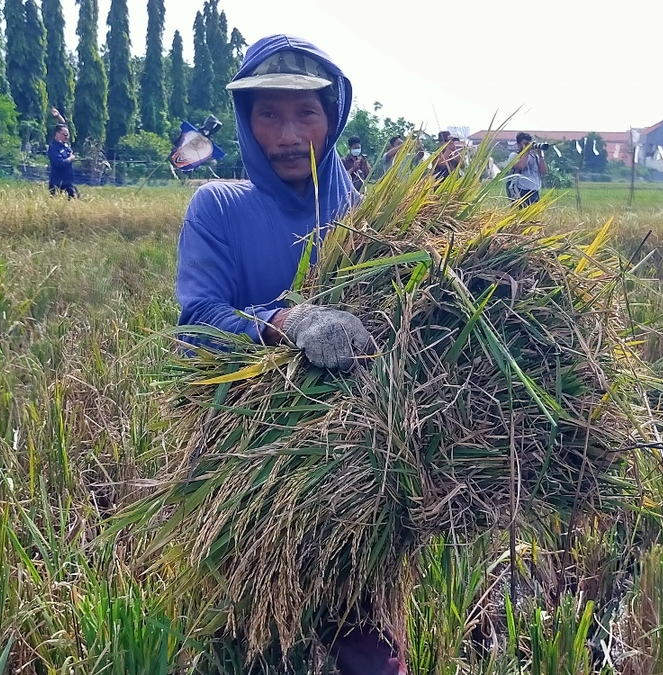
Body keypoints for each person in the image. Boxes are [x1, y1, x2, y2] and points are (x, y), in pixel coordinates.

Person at [175, 36, 402, 674]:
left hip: (355, 467)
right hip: (247, 459)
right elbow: (197, 321)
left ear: (333, 118)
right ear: (247, 124)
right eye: (267, 114)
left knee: (366, 638)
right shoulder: (217, 207)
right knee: (252, 636)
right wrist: (284, 320)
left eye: (305, 113)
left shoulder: (366, 217)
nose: (286, 133)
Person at [506, 131, 547, 206]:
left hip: (534, 190)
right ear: (518, 145)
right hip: (519, 191)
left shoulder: (534, 157)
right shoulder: (514, 155)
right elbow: (521, 166)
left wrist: (540, 156)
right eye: (525, 144)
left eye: (529, 143)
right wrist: (526, 152)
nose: (528, 146)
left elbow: (543, 171)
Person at [47, 108, 78, 199]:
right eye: (65, 135)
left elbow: (64, 125)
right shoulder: (53, 148)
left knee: (75, 200)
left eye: (68, 135)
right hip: (57, 183)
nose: (67, 137)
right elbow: (59, 163)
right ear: (57, 134)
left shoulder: (65, 145)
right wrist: (70, 159)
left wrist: (58, 116)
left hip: (68, 182)